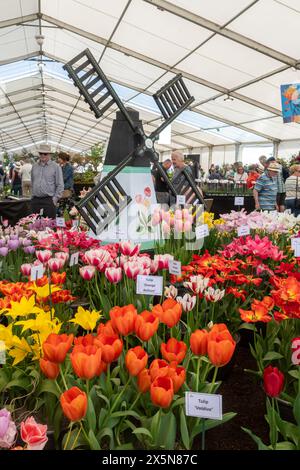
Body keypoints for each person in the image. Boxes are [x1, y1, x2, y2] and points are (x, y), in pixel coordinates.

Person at [31, 144, 64, 218]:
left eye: (45, 154)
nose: (42, 155)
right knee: (34, 225)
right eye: (40, 153)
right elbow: (32, 181)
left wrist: (55, 199)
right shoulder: (34, 166)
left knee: (49, 227)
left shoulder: (56, 167)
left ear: (49, 155)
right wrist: (32, 196)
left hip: (49, 200)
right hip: (35, 200)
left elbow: (60, 185)